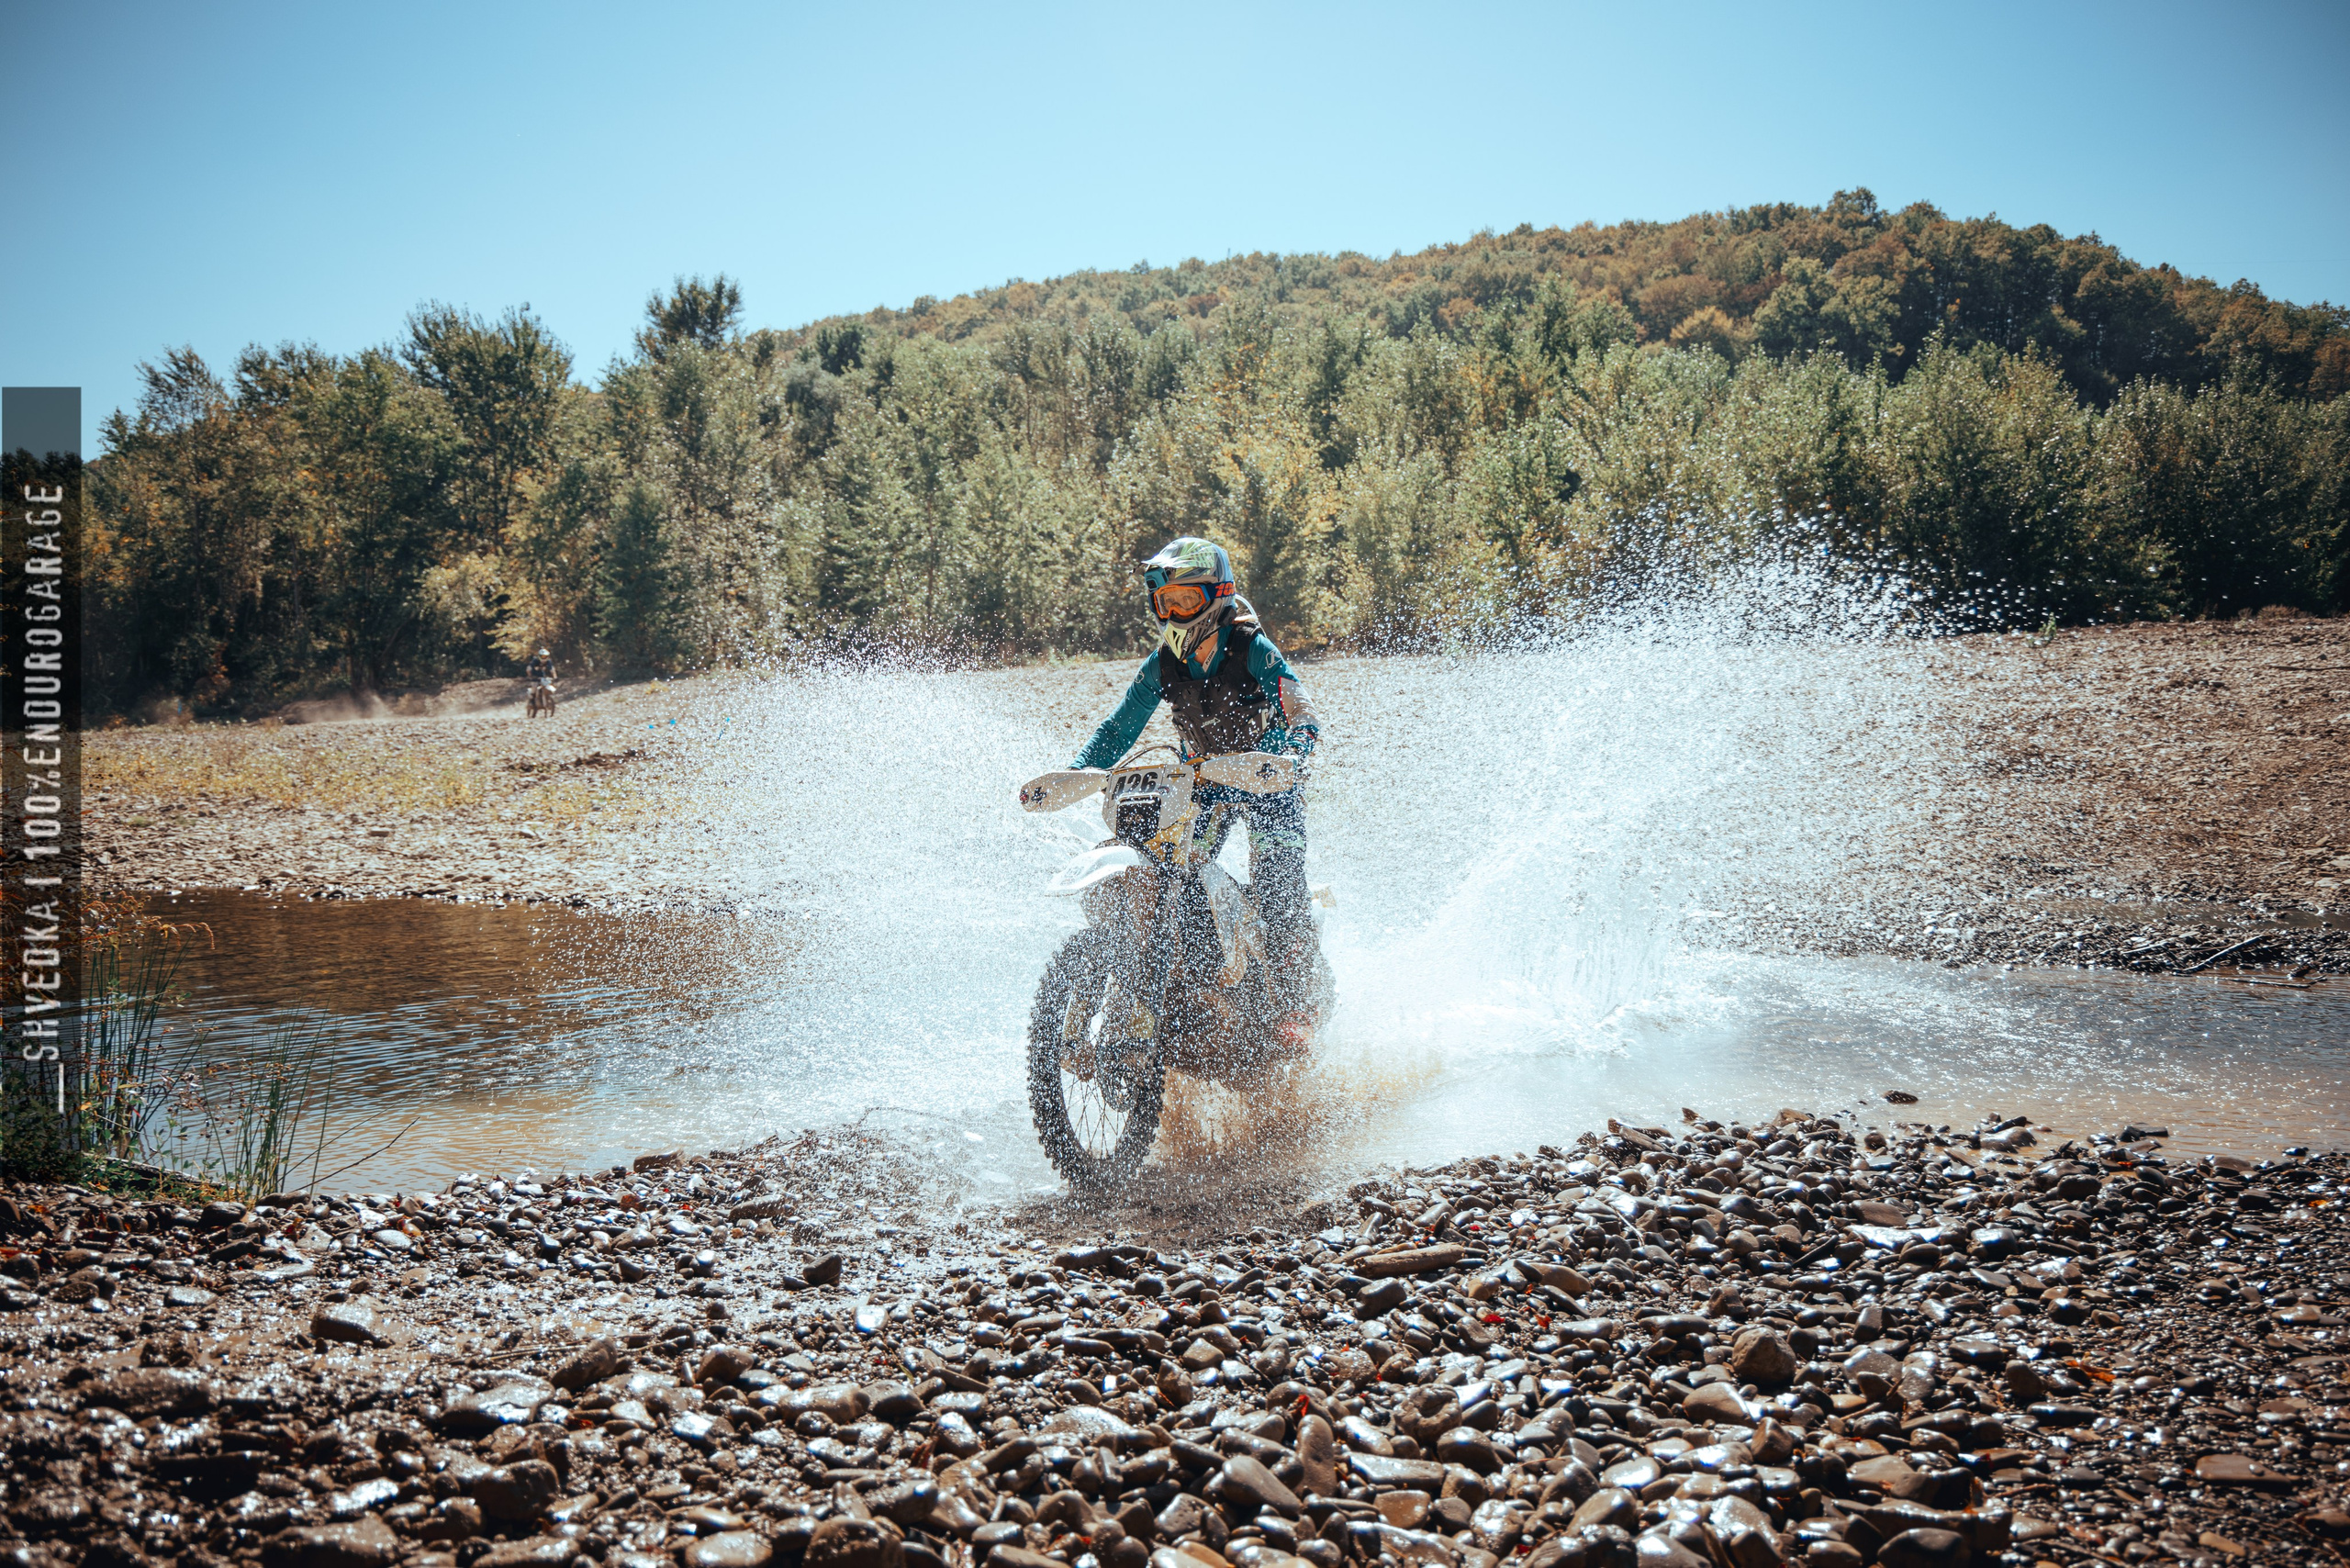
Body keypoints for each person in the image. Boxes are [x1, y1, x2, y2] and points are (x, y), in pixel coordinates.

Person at [1069, 536, 1323, 1033]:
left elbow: (1299, 704)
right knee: (1171, 862)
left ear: (1219, 595)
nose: (1177, 616)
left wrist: (1297, 748)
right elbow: (1120, 729)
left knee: (1277, 880)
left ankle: (1297, 1001)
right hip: (1199, 780)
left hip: (1267, 778)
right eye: (1167, 603)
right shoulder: (1162, 662)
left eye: (1188, 600)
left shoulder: (1252, 647)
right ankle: (1185, 973)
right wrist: (1080, 772)